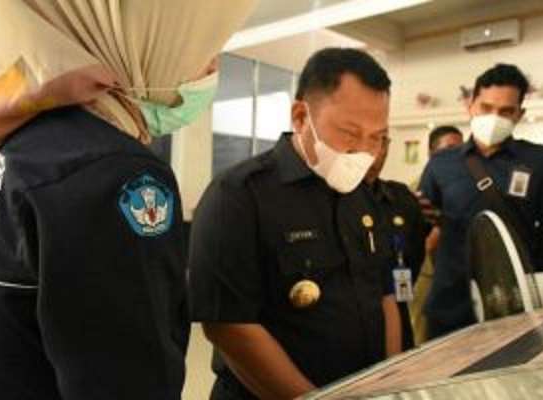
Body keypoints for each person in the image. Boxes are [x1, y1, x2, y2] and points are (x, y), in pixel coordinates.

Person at [0, 1, 255, 399]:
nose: (211, 70)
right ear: (135, 48)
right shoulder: (114, 172)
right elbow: (124, 382)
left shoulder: (19, 145)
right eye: (200, 53)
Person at [189, 48, 402, 400]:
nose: (364, 151)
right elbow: (229, 327)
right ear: (301, 117)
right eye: (350, 132)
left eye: (377, 137)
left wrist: (391, 384)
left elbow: (384, 295)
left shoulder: (363, 197)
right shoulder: (238, 195)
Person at [419, 63, 543, 339]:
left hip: (515, 305)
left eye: (506, 111)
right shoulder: (441, 163)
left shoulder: (541, 161)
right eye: (486, 107)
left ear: (519, 114)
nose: (494, 117)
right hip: (450, 304)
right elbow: (419, 227)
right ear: (470, 106)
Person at [364, 137, 428, 351]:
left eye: (382, 142)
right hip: (356, 316)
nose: (375, 152)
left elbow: (415, 253)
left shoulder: (400, 197)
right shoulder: (332, 199)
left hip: (398, 307)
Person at [409, 125, 463, 345]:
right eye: (449, 149)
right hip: (427, 273)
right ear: (432, 153)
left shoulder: (460, 185)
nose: (455, 155)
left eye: (459, 149)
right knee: (421, 334)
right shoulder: (418, 188)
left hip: (452, 275)